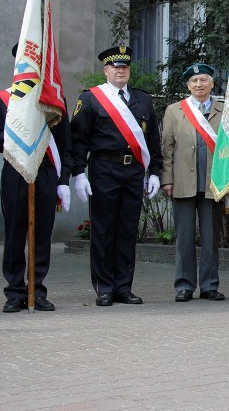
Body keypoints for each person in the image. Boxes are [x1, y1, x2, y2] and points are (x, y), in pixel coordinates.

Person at [70, 46, 163, 307]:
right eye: (115, 67)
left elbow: (152, 139)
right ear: (106, 71)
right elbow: (79, 139)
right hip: (103, 170)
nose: (120, 71)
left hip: (133, 171)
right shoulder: (91, 99)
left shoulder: (142, 100)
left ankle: (124, 287)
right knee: (103, 230)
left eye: (125, 67)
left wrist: (154, 171)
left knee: (126, 230)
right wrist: (78, 173)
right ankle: (104, 287)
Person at [0, 44, 72, 312]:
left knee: (43, 233)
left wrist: (64, 181)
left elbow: (65, 144)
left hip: (46, 171)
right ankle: (14, 292)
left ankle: (38, 289)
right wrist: (19, 138)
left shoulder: (54, 99)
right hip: (15, 171)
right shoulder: (2, 99)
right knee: (15, 233)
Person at [160, 63, 227, 302]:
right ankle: (184, 285)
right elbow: (167, 148)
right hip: (183, 182)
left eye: (203, 80)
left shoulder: (224, 110)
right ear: (188, 85)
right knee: (185, 237)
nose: (199, 85)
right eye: (194, 81)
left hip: (214, 182)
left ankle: (209, 285)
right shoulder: (175, 110)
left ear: (212, 83)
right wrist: (167, 179)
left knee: (210, 238)